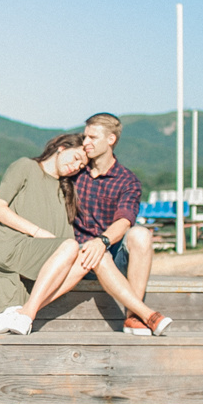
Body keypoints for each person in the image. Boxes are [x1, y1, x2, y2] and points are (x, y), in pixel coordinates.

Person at [0, 132, 172, 336]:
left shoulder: (66, 189)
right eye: (75, 159)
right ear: (61, 148)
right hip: (8, 245)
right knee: (71, 246)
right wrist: (38, 232)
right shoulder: (26, 166)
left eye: (81, 166)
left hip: (40, 252)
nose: (76, 167)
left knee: (90, 255)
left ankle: (26, 312)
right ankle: (148, 315)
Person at [72, 112, 156, 335]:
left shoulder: (127, 180)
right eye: (85, 137)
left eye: (92, 138)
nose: (86, 143)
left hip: (110, 253)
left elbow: (125, 220)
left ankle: (134, 317)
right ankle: (145, 313)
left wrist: (102, 242)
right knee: (99, 254)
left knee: (141, 234)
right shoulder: (75, 173)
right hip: (79, 257)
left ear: (111, 140)